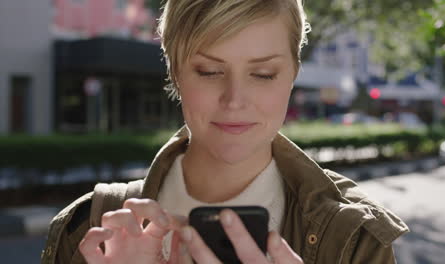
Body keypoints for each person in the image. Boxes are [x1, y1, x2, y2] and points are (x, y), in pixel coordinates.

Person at [41, 0, 409, 263]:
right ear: (175, 72)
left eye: (263, 74)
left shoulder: (354, 238)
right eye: (209, 71)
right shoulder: (89, 228)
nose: (235, 100)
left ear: (292, 75)